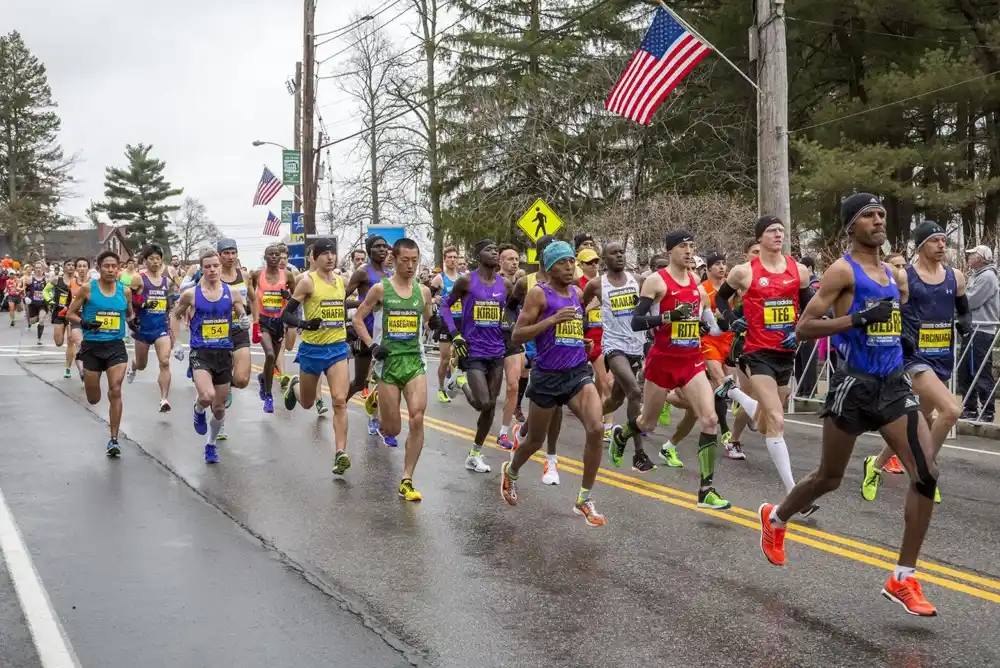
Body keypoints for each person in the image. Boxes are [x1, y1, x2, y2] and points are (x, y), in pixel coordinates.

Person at [758, 192, 940, 617]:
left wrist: (902, 338)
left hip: (893, 385)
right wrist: (858, 319)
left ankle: (903, 578)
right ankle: (776, 518)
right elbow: (804, 328)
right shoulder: (843, 271)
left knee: (927, 472)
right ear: (850, 227)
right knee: (828, 477)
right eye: (867, 216)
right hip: (853, 387)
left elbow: (890, 322)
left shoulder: (893, 274)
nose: (878, 221)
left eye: (880, 214)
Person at [610, 230, 731, 510]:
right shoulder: (656, 281)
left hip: (690, 361)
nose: (689, 251)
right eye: (682, 246)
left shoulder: (698, 287)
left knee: (710, 419)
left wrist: (727, 325)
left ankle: (706, 489)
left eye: (692, 246)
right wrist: (667, 317)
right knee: (647, 423)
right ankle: (622, 435)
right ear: (669, 251)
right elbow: (637, 322)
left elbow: (711, 326)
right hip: (662, 361)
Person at [714, 216, 816, 512]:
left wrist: (798, 334)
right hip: (757, 353)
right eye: (772, 231)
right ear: (759, 238)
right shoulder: (744, 272)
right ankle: (794, 495)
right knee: (776, 419)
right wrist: (733, 321)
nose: (778, 235)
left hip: (786, 352)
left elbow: (808, 308)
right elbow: (721, 301)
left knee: (764, 418)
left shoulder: (798, 271)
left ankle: (732, 392)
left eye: (782, 231)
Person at [501, 240, 607, 526]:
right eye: (563, 262)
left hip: (576, 372)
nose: (570, 266)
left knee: (596, 428)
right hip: (547, 376)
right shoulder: (539, 294)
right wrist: (551, 321)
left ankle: (584, 498)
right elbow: (517, 335)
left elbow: (571, 328)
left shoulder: (576, 292)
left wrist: (579, 340)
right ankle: (511, 471)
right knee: (535, 440)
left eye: (573, 261)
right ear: (549, 267)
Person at [860, 221, 966, 502]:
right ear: (920, 246)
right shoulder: (904, 277)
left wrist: (965, 323)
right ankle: (926, 471)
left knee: (921, 421)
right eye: (935, 240)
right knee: (951, 411)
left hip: (942, 356)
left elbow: (962, 307)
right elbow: (881, 305)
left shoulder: (955, 276)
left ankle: (876, 464)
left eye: (944, 240)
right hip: (915, 358)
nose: (942, 245)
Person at [353, 238, 434, 501]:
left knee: (418, 417)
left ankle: (407, 479)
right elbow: (357, 319)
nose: (410, 265)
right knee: (392, 430)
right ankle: (375, 400)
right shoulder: (380, 289)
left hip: (413, 360)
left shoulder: (423, 292)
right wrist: (372, 345)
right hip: (387, 362)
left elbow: (427, 318)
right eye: (405, 260)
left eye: (415, 260)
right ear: (394, 259)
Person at [583, 241, 657, 472]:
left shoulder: (639, 280)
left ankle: (590, 418)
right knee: (635, 392)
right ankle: (639, 454)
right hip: (613, 347)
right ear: (605, 259)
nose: (620, 256)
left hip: (636, 345)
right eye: (614, 253)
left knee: (615, 400)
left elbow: (653, 308)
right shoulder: (596, 285)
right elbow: (578, 309)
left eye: (622, 252)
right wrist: (581, 334)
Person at [281, 239, 352, 475]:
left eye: (332, 254)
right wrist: (304, 324)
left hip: (337, 348)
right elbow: (286, 314)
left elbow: (342, 306)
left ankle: (340, 453)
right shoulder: (307, 282)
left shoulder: (342, 282)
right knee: (308, 403)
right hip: (312, 350)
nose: (330, 258)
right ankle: (295, 385)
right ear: (314, 257)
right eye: (324, 254)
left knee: (339, 400)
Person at [171, 249, 250, 464]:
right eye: (208, 266)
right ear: (202, 269)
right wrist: (176, 342)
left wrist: (243, 320)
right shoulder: (191, 294)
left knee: (219, 408)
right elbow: (175, 315)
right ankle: (197, 409)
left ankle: (211, 444)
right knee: (206, 396)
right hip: (201, 353)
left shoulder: (231, 292)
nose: (213, 270)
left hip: (224, 354)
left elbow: (242, 312)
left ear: (220, 267)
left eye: (215, 266)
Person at [441, 239, 512, 473]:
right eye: (489, 250)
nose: (494, 252)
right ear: (477, 254)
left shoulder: (505, 284)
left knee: (491, 407)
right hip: (473, 350)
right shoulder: (466, 280)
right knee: (483, 402)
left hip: (497, 351)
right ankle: (459, 381)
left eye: (496, 249)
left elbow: (512, 312)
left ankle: (474, 454)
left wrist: (509, 329)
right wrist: (455, 334)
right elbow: (445, 307)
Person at [509, 235, 564, 484]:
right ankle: (522, 418)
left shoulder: (567, 283)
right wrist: (513, 329)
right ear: (541, 255)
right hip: (531, 344)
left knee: (554, 405)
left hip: (556, 348)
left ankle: (549, 458)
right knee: (546, 401)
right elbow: (510, 307)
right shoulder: (526, 282)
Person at [66, 251, 133, 457]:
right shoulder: (88, 289)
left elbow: (129, 314)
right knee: (93, 398)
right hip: (92, 348)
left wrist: (137, 319)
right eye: (107, 266)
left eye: (114, 266)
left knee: (115, 389)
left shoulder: (125, 291)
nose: (111, 270)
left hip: (115, 347)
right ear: (99, 267)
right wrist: (85, 322)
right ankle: (87, 375)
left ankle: (114, 439)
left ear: (119, 268)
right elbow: (70, 313)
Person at [344, 234, 393, 432]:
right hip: (365, 332)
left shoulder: (391, 274)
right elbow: (341, 300)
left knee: (385, 379)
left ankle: (374, 417)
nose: (382, 250)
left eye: (385, 246)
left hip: (386, 333)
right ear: (369, 250)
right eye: (377, 246)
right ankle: (340, 405)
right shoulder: (362, 273)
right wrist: (366, 304)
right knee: (359, 381)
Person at [126, 245, 174, 412]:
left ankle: (164, 399)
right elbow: (129, 299)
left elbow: (170, 307)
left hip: (161, 328)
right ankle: (132, 366)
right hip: (143, 328)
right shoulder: (139, 279)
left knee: (165, 362)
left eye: (158, 258)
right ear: (145, 260)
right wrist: (136, 311)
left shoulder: (167, 282)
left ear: (162, 260)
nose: (155, 261)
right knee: (142, 365)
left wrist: (173, 330)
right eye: (151, 258)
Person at [252, 244, 298, 413]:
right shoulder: (257, 275)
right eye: (270, 254)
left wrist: (288, 297)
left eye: (276, 255)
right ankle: (268, 396)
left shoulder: (287, 275)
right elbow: (251, 295)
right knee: (270, 354)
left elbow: (296, 299)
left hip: (279, 322)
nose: (273, 257)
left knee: (273, 359)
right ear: (265, 257)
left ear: (281, 257)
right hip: (264, 320)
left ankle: (264, 377)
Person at [960, 244, 998, 422]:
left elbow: (972, 301)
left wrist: (957, 300)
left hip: (981, 329)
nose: (968, 257)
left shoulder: (988, 276)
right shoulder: (978, 275)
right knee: (966, 370)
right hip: (973, 328)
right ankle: (970, 408)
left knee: (980, 371)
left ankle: (987, 411)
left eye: (972, 254)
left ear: (981, 258)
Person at [497, 243, 525, 449]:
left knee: (513, 385)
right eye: (509, 259)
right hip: (492, 336)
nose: (514, 262)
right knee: (489, 396)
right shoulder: (494, 281)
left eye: (516, 259)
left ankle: (503, 432)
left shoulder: (523, 283)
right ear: (500, 261)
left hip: (513, 337)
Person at [430, 245, 464, 403]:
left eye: (455, 257)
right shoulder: (439, 278)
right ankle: (441, 388)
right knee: (444, 359)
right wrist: (434, 299)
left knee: (460, 355)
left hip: (460, 321)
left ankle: (453, 373)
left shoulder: (463, 278)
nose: (452, 260)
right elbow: (427, 297)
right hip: (445, 321)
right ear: (445, 260)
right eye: (449, 257)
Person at [50, 259, 78, 378]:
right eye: (68, 265)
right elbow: (46, 291)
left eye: (73, 265)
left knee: (71, 341)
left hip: (72, 313)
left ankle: (67, 368)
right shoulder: (56, 280)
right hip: (59, 312)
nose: (71, 267)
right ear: (64, 267)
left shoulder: (78, 282)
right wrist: (49, 300)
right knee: (59, 342)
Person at [24, 261, 49, 343]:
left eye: (40, 268)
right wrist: (26, 297)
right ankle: (38, 317)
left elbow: (51, 288)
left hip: (42, 303)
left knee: (41, 320)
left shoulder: (46, 278)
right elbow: (26, 290)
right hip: (33, 303)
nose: (38, 269)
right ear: (34, 269)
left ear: (42, 269)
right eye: (37, 268)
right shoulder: (30, 278)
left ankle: (39, 338)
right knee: (32, 321)